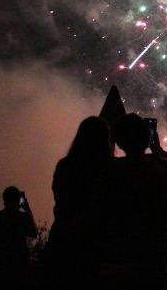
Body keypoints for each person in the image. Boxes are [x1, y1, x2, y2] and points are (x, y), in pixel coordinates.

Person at [100, 114, 167, 290]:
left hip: (118, 253)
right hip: (153, 253)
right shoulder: (159, 167)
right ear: (147, 138)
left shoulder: (111, 170)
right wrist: (157, 149)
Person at [48, 116, 113, 288]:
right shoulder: (109, 170)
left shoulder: (64, 167)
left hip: (64, 241)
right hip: (96, 245)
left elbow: (60, 200)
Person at [0, 186, 38, 285]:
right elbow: (33, 233)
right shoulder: (24, 218)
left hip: (1, 267)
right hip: (19, 266)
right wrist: (27, 209)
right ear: (18, 200)